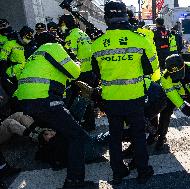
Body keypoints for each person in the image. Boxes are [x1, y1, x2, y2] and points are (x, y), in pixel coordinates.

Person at [14, 32, 94, 188]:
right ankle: (74, 182)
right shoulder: (53, 47)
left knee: (61, 131)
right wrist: (76, 63)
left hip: (26, 101)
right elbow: (74, 73)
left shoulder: (35, 54)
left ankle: (57, 159)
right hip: (44, 99)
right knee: (77, 136)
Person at [92, 1, 159, 185]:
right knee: (138, 133)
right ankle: (143, 171)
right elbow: (151, 68)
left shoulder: (97, 44)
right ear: (126, 17)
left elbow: (96, 72)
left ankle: (118, 172)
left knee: (115, 135)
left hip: (111, 98)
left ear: (106, 18)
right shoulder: (139, 39)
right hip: (134, 96)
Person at [0, 28, 25, 96]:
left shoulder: (24, 44)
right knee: (14, 95)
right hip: (12, 73)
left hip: (23, 73)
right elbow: (3, 58)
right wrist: (3, 74)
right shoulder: (9, 43)